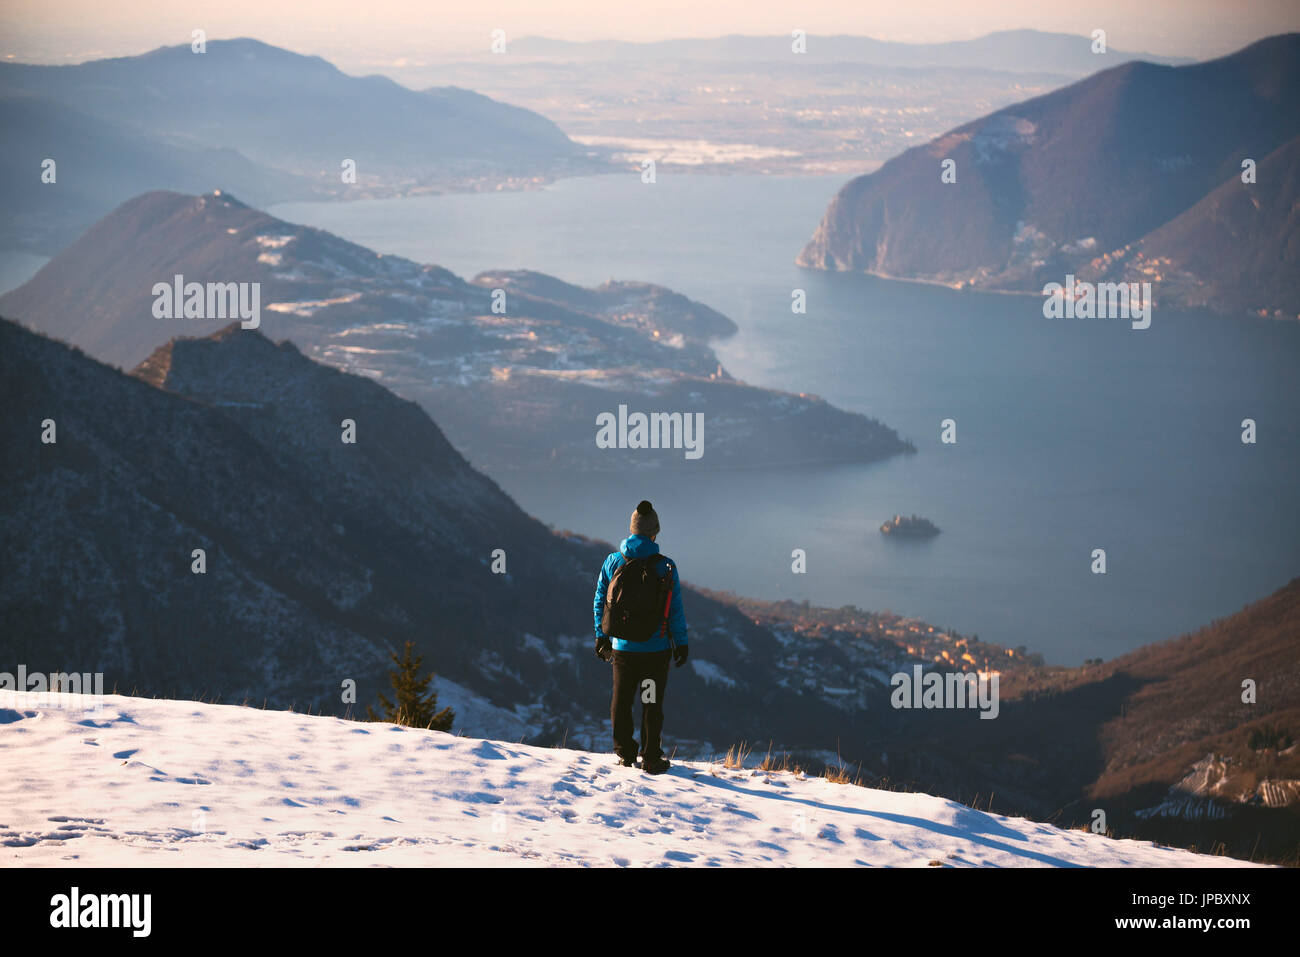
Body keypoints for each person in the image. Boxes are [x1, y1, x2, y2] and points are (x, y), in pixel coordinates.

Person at [593, 500, 688, 773]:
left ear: (631, 530)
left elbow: (601, 600)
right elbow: (675, 611)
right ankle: (650, 757)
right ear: (654, 533)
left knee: (621, 701)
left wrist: (601, 636)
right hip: (655, 650)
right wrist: (680, 643)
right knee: (650, 702)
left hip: (622, 648)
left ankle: (624, 753)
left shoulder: (613, 561)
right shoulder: (665, 567)